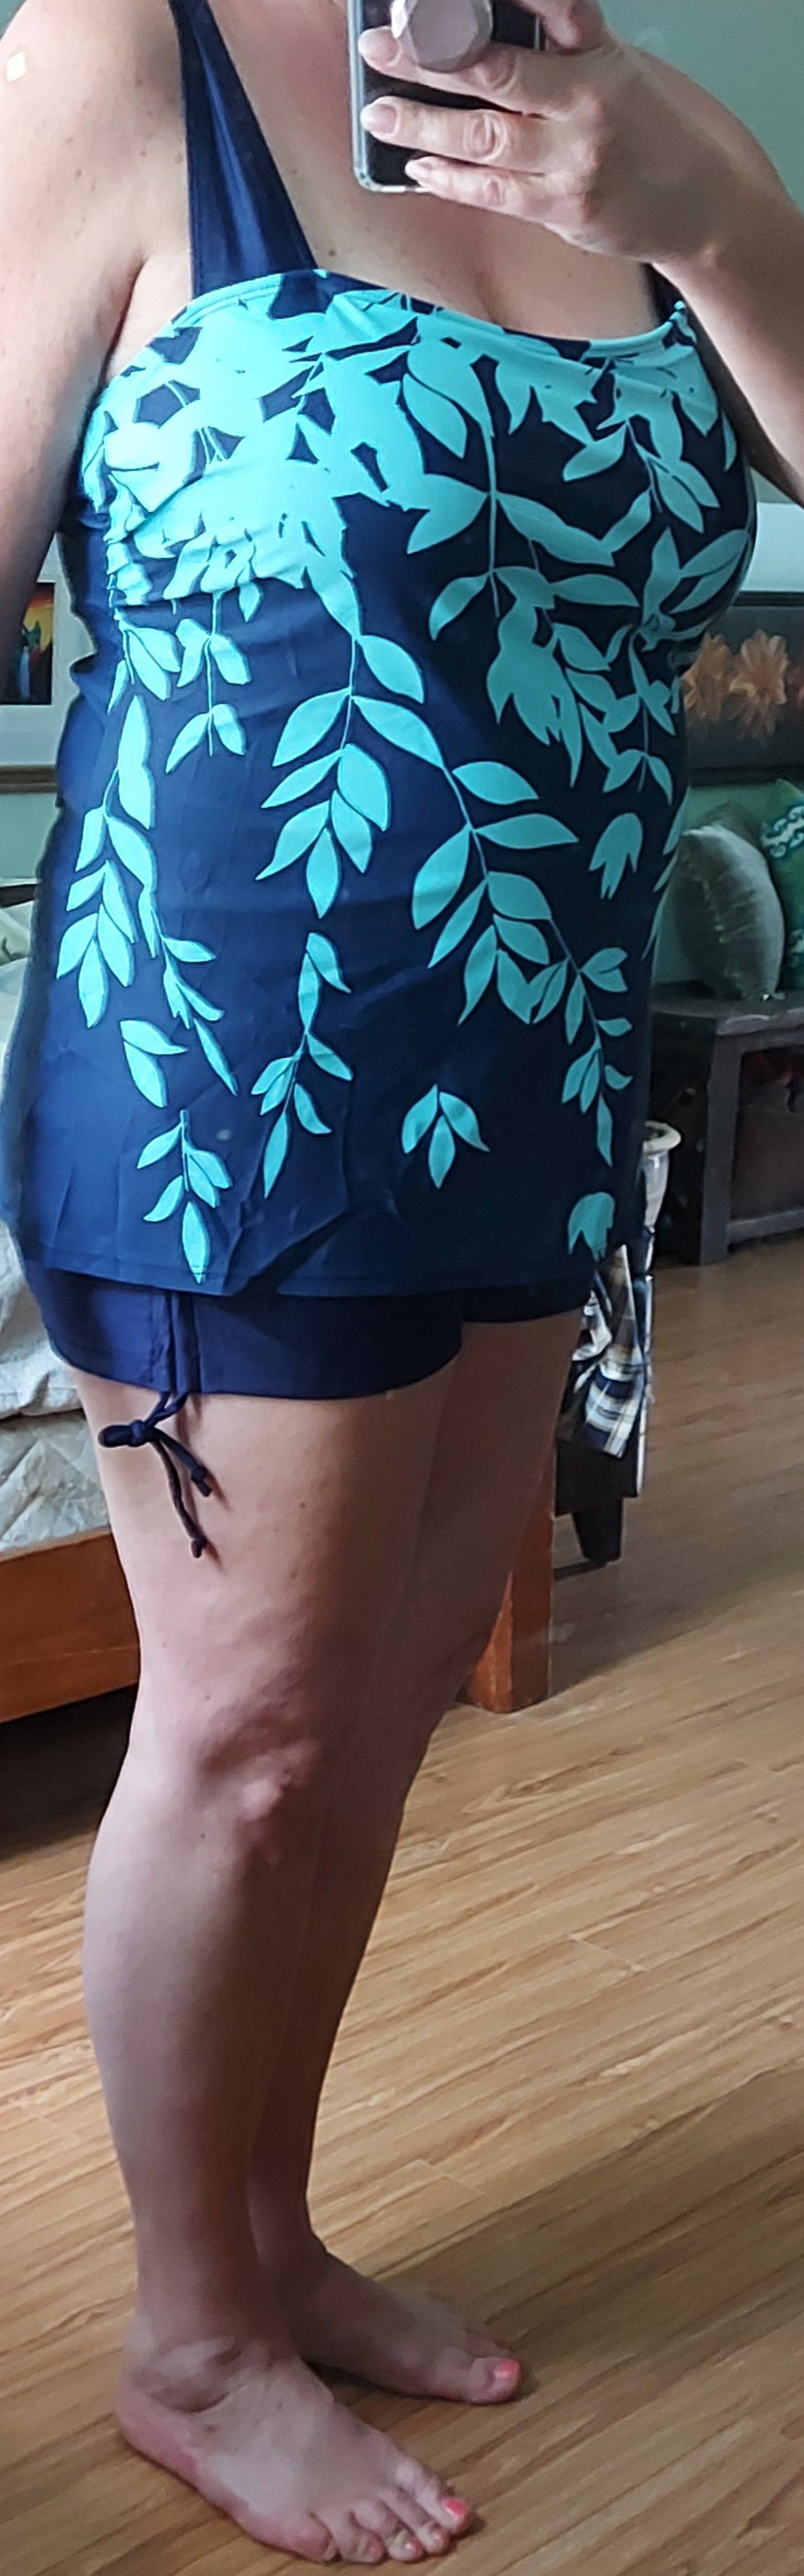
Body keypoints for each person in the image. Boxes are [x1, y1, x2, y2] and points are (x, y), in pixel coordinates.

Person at [0, 0, 801, 2558]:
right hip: (229, 1068)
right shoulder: (123, 56)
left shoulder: (647, 120)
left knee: (374, 1713)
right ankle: (189, 2340)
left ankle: (273, 2237)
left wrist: (710, 210)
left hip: (533, 1061)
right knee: (247, 1732)